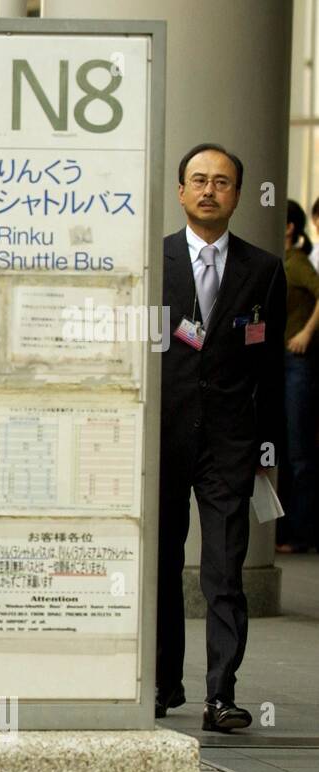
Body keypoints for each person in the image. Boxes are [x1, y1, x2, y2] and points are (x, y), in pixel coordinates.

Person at [157, 144, 286, 732]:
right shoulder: (152, 262)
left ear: (238, 194)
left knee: (223, 571)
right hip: (160, 439)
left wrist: (267, 449)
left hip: (231, 444)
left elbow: (271, 368)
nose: (209, 191)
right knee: (157, 564)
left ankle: (220, 695)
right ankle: (161, 684)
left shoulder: (263, 270)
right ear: (181, 191)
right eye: (199, 181)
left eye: (223, 182)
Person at [278, 200, 319, 553]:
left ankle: (302, 533)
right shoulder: (273, 263)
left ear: (290, 227)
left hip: (296, 363)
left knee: (299, 452)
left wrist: (306, 333)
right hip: (276, 364)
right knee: (280, 448)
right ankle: (284, 530)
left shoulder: (298, 263)